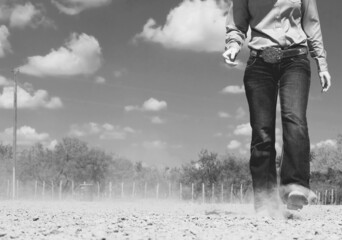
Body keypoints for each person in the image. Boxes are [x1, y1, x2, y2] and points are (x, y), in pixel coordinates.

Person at [222, 0, 331, 213]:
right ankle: (265, 198)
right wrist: (233, 45)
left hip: (296, 60)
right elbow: (237, 23)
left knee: (295, 120)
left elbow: (312, 24)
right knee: (262, 132)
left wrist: (322, 64)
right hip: (259, 62)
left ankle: (295, 186)